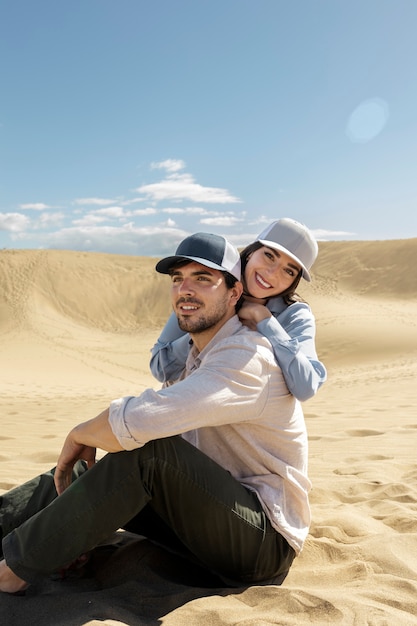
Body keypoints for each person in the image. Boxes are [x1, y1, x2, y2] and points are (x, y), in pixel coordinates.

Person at [0, 232, 311, 594]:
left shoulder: (246, 357)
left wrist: (78, 434)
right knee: (81, 474)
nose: (186, 290)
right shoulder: (196, 353)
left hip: (261, 542)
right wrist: (78, 519)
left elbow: (147, 418)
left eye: (204, 279)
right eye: (178, 279)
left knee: (148, 452)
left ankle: (13, 572)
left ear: (234, 293)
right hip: (197, 518)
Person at [150, 218, 327, 402]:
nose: (272, 273)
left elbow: (306, 387)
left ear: (294, 281)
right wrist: (210, 326)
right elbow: (160, 368)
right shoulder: (212, 287)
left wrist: (265, 320)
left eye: (289, 271)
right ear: (251, 252)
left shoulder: (294, 315)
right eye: (269, 256)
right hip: (181, 410)